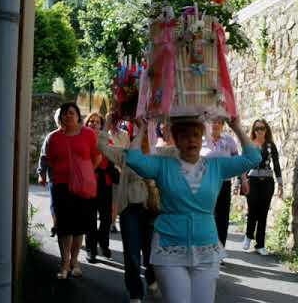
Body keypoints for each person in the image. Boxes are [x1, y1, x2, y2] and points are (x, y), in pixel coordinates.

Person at [124, 116, 261, 303]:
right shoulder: (162, 165)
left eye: (196, 135)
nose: (192, 140)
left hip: (206, 248)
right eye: (185, 135)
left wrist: (236, 126)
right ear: (176, 140)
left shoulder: (216, 166)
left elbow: (254, 157)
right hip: (169, 247)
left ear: (202, 137)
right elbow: (133, 158)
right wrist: (142, 129)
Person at [97, 118, 164, 303]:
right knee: (132, 253)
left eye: (147, 133)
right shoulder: (126, 155)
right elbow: (102, 146)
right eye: (140, 134)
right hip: (130, 210)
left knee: (152, 251)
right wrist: (107, 124)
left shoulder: (160, 155)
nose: (143, 139)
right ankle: (135, 292)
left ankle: (151, 278)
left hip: (152, 209)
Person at [38, 102, 101, 279]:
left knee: (79, 227)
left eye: (72, 113)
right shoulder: (53, 137)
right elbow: (47, 160)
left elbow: (96, 157)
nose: (68, 116)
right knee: (64, 226)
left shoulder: (88, 134)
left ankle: (75, 261)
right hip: (61, 187)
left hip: (81, 188)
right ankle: (64, 263)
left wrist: (84, 174)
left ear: (78, 116)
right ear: (61, 117)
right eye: (65, 113)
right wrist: (44, 175)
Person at [242, 119, 283, 256]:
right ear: (253, 130)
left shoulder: (271, 146)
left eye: (262, 128)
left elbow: (276, 164)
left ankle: (260, 244)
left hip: (267, 182)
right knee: (253, 209)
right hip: (252, 181)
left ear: (266, 130)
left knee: (263, 213)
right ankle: (248, 236)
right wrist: (239, 183)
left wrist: (280, 183)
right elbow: (243, 164)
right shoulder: (249, 145)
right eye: (257, 128)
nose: (260, 131)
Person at [201, 117, 239, 256]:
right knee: (207, 216)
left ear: (223, 125)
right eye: (213, 121)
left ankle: (219, 251)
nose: (215, 124)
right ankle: (206, 249)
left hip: (224, 183)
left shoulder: (228, 141)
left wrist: (243, 180)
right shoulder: (201, 140)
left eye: (218, 122)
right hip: (206, 184)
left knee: (222, 218)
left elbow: (237, 161)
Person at [84, 112, 117, 263]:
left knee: (106, 218)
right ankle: (91, 249)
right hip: (89, 182)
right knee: (90, 217)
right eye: (91, 121)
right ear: (87, 123)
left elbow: (113, 158)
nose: (94, 123)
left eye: (97, 121)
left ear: (101, 124)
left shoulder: (107, 140)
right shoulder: (82, 139)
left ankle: (103, 244)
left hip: (105, 183)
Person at [37, 108, 62, 238]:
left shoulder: (77, 136)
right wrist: (41, 174)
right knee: (55, 204)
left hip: (73, 178)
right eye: (59, 119)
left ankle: (66, 228)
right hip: (55, 178)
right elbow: (44, 156)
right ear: (57, 121)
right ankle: (56, 224)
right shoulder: (51, 137)